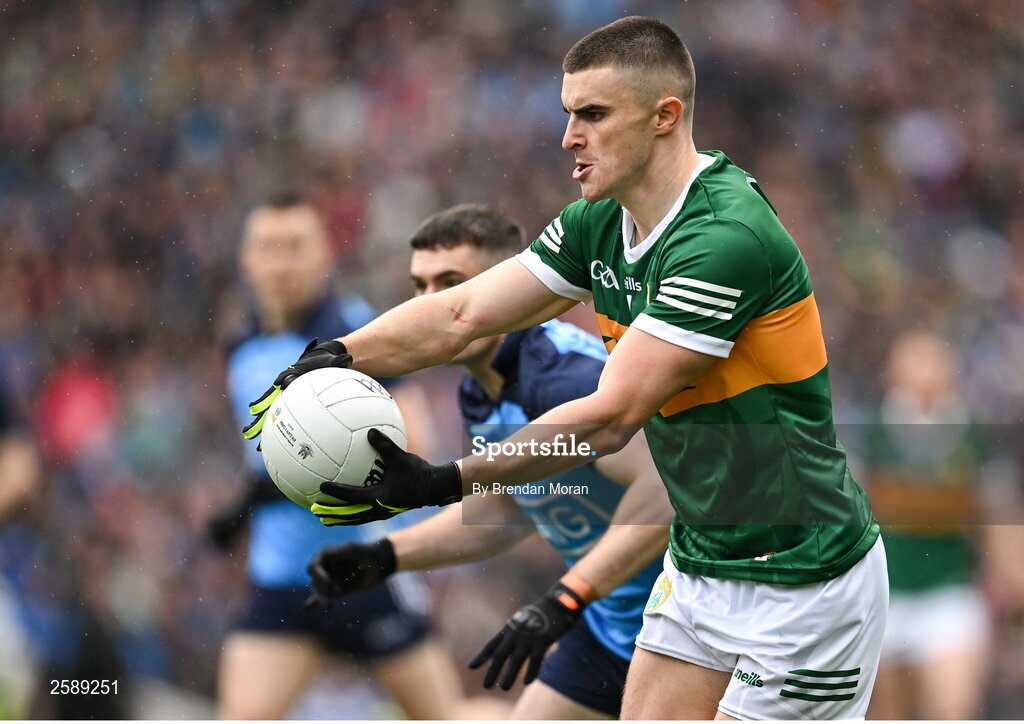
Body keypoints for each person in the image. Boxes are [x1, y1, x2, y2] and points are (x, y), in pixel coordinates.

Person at [243, 17, 887, 720]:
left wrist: (444, 481)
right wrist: (337, 354)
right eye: (567, 113)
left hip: (802, 575)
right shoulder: (597, 223)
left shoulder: (722, 238)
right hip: (703, 562)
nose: (567, 136)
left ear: (665, 116)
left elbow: (611, 418)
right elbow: (463, 314)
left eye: (593, 114)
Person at [306, 204, 671, 720]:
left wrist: (565, 598)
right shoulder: (482, 390)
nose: (431, 304)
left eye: (451, 284)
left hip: (686, 628)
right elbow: (511, 509)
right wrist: (386, 556)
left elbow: (665, 494)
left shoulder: (565, 381)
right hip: (613, 629)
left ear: (501, 291)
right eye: (420, 287)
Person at [213, 192, 477, 720]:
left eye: (295, 246)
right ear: (247, 259)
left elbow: (414, 446)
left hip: (363, 571)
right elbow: (273, 456)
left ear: (324, 254)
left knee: (449, 716)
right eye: (269, 247)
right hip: (284, 582)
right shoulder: (239, 344)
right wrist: (244, 505)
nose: (281, 262)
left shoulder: (357, 335)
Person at [861, 332, 994, 719]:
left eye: (931, 359)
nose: (924, 371)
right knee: (890, 710)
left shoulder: (970, 433)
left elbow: (994, 512)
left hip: (949, 589)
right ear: (893, 372)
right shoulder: (873, 432)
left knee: (953, 706)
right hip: (887, 594)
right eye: (913, 360)